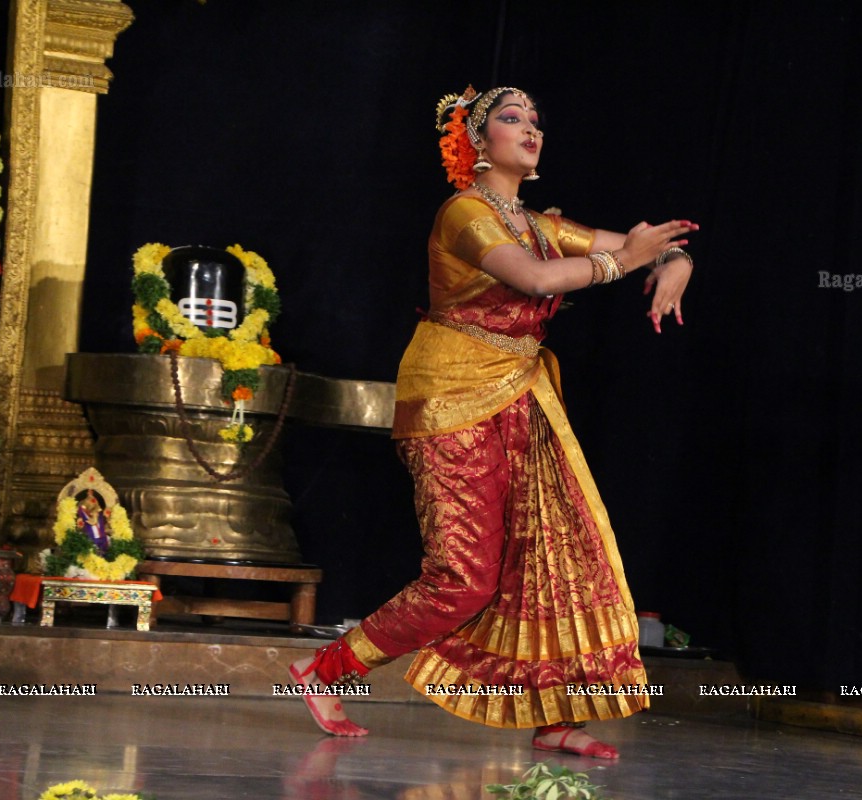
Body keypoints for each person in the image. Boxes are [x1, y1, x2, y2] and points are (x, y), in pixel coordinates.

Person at [290, 85, 697, 758]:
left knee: (556, 558)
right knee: (463, 577)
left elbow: (639, 246)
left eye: (536, 118)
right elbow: (535, 281)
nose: (531, 128)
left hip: (519, 397)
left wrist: (675, 259)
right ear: (477, 142)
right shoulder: (463, 213)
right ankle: (324, 670)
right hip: (451, 401)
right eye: (512, 118)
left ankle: (556, 716)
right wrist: (623, 263)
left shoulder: (538, 223)